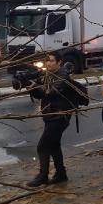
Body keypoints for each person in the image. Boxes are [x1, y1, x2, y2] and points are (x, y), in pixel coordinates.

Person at [27, 51, 75, 187]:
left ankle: (43, 175)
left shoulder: (63, 76)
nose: (48, 63)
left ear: (59, 62)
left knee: (42, 146)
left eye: (52, 60)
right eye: (47, 60)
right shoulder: (47, 75)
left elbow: (51, 91)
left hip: (60, 116)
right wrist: (31, 87)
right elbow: (41, 95)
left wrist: (37, 86)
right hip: (50, 115)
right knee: (54, 145)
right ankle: (61, 174)